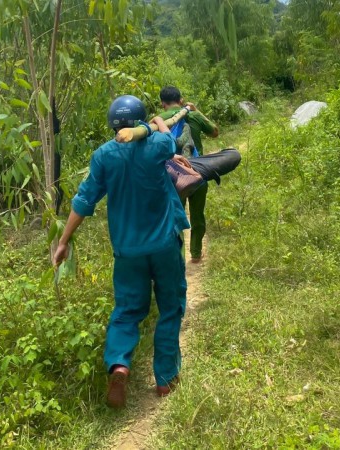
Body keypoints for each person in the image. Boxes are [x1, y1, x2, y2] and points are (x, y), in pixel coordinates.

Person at [52, 95, 191, 409]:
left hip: (128, 251)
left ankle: (119, 364)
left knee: (127, 311)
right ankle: (166, 378)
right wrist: (156, 122)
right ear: (140, 120)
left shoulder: (104, 156)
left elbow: (84, 201)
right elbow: (169, 140)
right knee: (170, 306)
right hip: (164, 244)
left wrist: (64, 241)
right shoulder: (156, 145)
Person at [159, 86, 219, 263]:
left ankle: (176, 256)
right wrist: (196, 110)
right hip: (197, 171)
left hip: (173, 177)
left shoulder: (159, 121)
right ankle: (196, 253)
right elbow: (214, 132)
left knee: (175, 217)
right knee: (197, 214)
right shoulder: (193, 116)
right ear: (181, 100)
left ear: (163, 104)